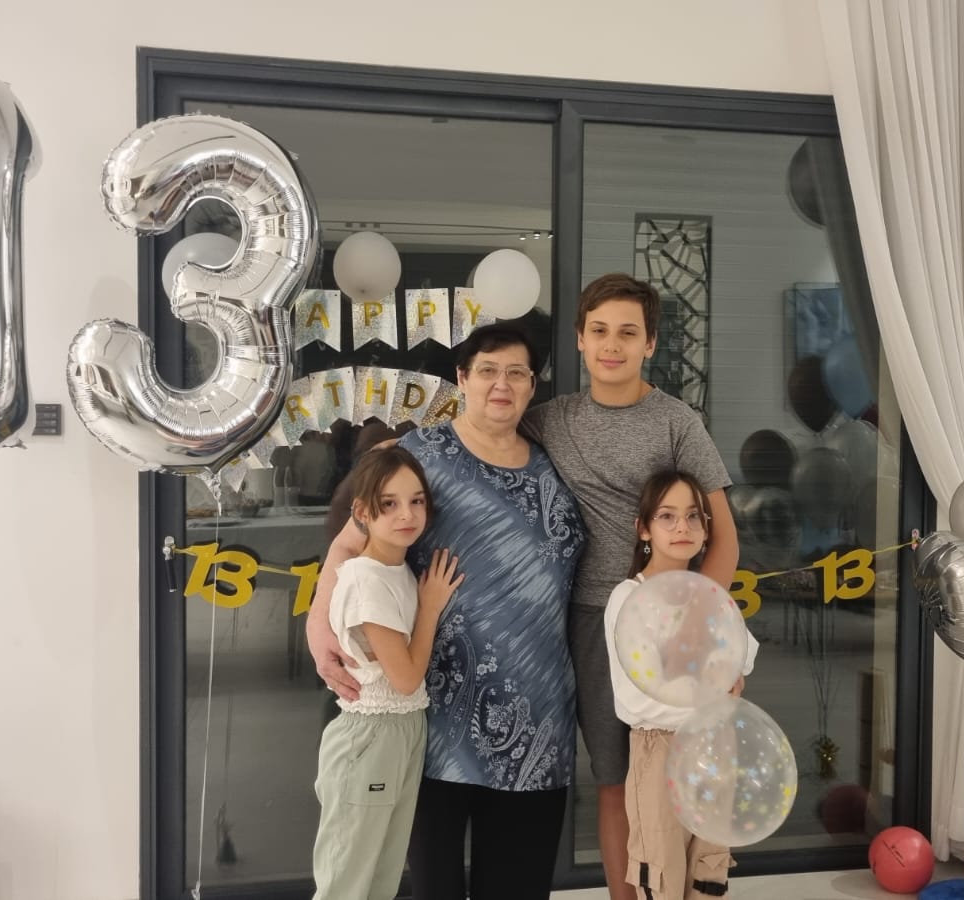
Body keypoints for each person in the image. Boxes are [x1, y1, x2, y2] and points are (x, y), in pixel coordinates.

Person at [307, 323, 586, 900]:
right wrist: (318, 624)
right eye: (487, 371)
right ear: (462, 378)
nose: (501, 384)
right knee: (434, 885)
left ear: (532, 385)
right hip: (433, 718)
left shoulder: (556, 467)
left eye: (516, 373)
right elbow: (347, 544)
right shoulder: (417, 456)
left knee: (518, 889)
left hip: (537, 718)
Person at [522, 273, 740, 900]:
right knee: (615, 778)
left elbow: (724, 539)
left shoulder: (676, 423)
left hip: (673, 624)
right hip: (593, 620)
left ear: (650, 344)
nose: (611, 345)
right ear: (579, 339)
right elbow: (483, 432)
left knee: (684, 771)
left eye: (627, 333)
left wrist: (698, 625)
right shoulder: (552, 419)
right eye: (599, 331)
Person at [311, 447, 462, 900]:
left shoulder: (396, 570)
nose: (407, 514)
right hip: (371, 736)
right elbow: (406, 678)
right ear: (362, 512)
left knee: (380, 880)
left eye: (416, 501)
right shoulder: (366, 579)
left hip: (402, 731)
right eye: (389, 503)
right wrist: (430, 608)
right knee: (347, 885)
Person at [604, 470, 758, 900]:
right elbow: (636, 698)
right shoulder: (628, 598)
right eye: (667, 516)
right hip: (661, 750)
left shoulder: (708, 595)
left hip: (715, 745)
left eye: (693, 516)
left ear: (706, 529)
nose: (682, 527)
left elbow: (743, 656)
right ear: (644, 529)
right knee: (662, 873)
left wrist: (726, 677)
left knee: (709, 870)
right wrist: (709, 690)